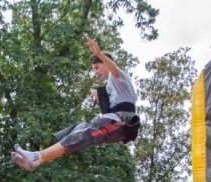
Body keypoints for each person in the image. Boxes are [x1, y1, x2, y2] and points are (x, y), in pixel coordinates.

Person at [11, 37, 140, 172]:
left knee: (85, 133)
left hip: (122, 123)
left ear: (105, 63)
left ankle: (37, 157)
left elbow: (113, 69)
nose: (95, 72)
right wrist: (100, 96)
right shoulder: (110, 85)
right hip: (113, 121)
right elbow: (112, 105)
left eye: (97, 67)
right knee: (78, 128)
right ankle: (37, 160)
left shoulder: (118, 76)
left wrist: (99, 53)